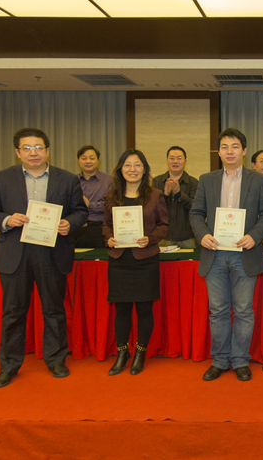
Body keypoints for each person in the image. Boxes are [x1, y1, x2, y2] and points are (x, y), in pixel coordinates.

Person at [0, 127, 88, 388]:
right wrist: (7, 219)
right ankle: (8, 366)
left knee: (54, 309)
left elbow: (81, 212)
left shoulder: (67, 179)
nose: (33, 153)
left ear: (47, 151)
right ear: (18, 152)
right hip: (15, 253)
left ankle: (56, 360)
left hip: (52, 252)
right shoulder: (3, 178)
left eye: (38, 147)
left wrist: (69, 223)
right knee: (13, 312)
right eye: (27, 148)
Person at [191, 129, 263, 382]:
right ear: (218, 152)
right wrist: (202, 234)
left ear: (244, 151)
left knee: (243, 310)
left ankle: (240, 360)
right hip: (214, 253)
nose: (230, 151)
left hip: (244, 253)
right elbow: (196, 213)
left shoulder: (258, 180)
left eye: (235, 146)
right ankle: (219, 360)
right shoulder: (206, 179)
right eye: (225, 147)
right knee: (217, 310)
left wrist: (254, 236)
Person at [103, 149, 168, 375]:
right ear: (120, 169)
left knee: (144, 308)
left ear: (144, 169)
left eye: (137, 165)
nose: (132, 169)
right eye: (128, 165)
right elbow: (106, 224)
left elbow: (163, 225)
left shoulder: (155, 195)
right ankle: (122, 352)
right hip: (119, 260)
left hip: (145, 260)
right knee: (121, 310)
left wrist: (150, 239)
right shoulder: (112, 195)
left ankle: (140, 352)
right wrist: (108, 238)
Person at [152, 146, 198, 249]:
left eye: (179, 158)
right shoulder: (157, 181)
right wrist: (165, 195)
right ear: (167, 161)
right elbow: (152, 209)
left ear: (185, 161)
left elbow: (195, 207)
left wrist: (179, 193)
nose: (175, 161)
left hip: (187, 238)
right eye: (172, 158)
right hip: (162, 237)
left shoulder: (193, 182)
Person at [73, 145, 112, 248]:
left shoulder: (109, 180)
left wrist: (90, 205)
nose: (88, 161)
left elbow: (113, 205)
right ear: (78, 161)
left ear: (98, 160)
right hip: (76, 228)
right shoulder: (72, 180)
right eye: (84, 158)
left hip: (99, 228)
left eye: (92, 158)